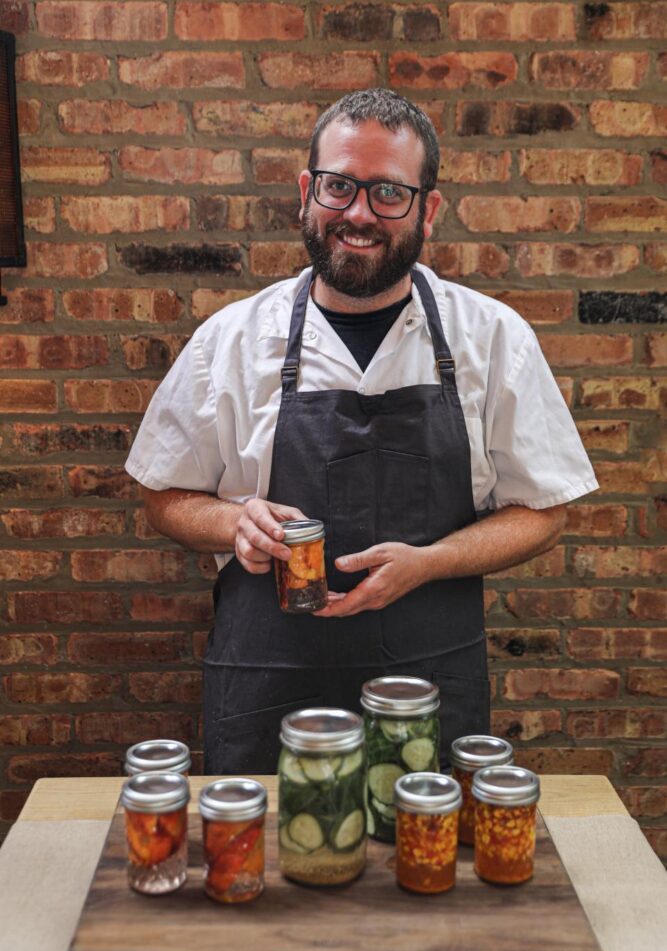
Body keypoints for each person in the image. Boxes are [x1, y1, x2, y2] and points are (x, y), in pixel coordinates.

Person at [125, 89, 598, 775]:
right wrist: (234, 525)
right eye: (339, 187)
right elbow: (163, 498)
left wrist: (430, 562)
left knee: (427, 870)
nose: (357, 214)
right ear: (305, 192)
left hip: (425, 688)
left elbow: (545, 512)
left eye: (387, 194)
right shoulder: (227, 342)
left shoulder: (491, 340)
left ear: (427, 210)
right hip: (269, 686)